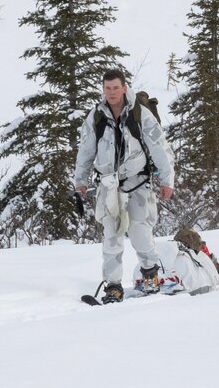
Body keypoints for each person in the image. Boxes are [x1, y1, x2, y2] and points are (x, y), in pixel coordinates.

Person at [73, 69, 176, 301]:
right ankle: (113, 286)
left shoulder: (140, 114)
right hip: (108, 186)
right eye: (107, 88)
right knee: (111, 238)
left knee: (141, 233)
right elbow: (86, 151)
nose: (111, 92)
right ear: (103, 89)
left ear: (124, 88)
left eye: (115, 88)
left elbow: (160, 147)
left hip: (138, 182)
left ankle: (150, 275)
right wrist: (81, 181)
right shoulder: (95, 117)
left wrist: (167, 180)